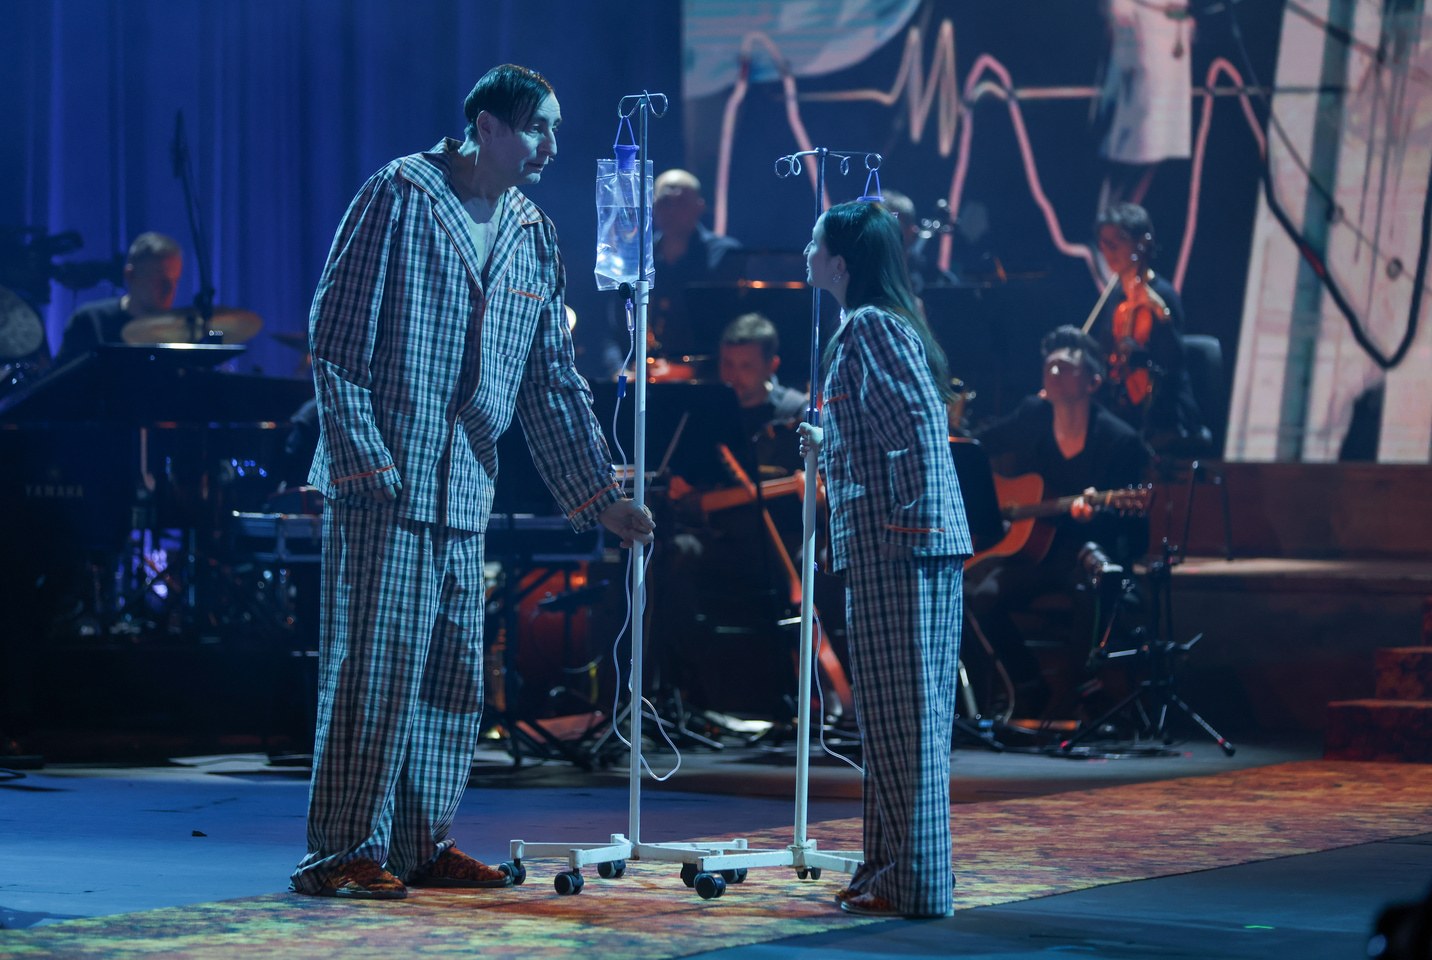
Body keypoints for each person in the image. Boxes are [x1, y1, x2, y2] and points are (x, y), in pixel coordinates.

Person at [290, 64, 654, 901]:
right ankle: (340, 852)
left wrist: (600, 496)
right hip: (384, 480)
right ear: (486, 127)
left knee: (453, 676)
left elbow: (549, 380)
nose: (550, 146)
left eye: (555, 130)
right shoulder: (401, 194)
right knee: (374, 671)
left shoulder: (532, 230)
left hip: (464, 487)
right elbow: (334, 337)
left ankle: (419, 844)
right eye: (536, 128)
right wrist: (362, 454)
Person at [797, 200, 971, 919]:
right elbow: (887, 429)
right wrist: (829, 441)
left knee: (906, 720)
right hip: (894, 544)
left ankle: (915, 879)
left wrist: (907, 525)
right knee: (893, 720)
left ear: (842, 263)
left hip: (900, 548)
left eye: (816, 245)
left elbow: (914, 431)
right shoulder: (875, 325)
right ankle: (888, 868)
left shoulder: (870, 326)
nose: (806, 253)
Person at [966, 326, 1151, 718]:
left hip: (1084, 554)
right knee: (981, 596)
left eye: (1065, 368)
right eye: (1049, 367)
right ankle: (1027, 687)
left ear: (1092, 382)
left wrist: (1096, 517)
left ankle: (1081, 699)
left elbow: (1135, 534)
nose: (1052, 373)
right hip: (1034, 554)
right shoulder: (1033, 415)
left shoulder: (1120, 440)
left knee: (1091, 594)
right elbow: (977, 447)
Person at [1091, 202, 1206, 454]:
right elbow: (1103, 351)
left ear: (1140, 243)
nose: (1108, 250)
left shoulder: (1163, 295)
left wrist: (1161, 314)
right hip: (1122, 404)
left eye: (1117, 241)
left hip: (1161, 408)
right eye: (1104, 242)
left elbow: (1173, 364)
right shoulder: (1115, 296)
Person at [648, 169, 745, 359]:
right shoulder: (639, 257)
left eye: (681, 203)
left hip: (704, 369)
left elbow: (730, 328)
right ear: (653, 206)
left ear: (699, 207)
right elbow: (613, 325)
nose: (672, 211)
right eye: (665, 202)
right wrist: (618, 368)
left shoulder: (725, 255)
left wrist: (690, 367)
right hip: (643, 368)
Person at [55, 232, 182, 365]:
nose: (169, 289)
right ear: (130, 276)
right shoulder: (90, 321)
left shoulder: (184, 330)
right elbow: (61, 375)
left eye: (175, 280)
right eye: (160, 279)